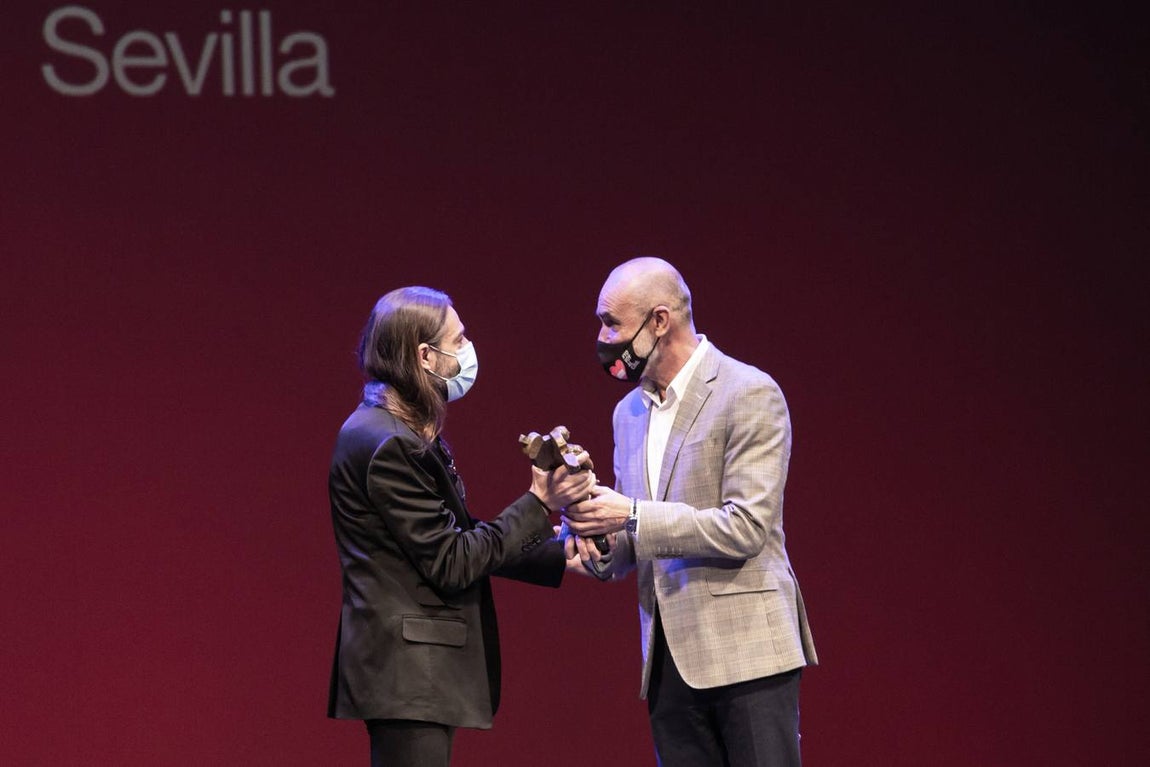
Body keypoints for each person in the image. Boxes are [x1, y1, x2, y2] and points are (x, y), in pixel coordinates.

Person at [327, 286, 596, 767]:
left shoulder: (399, 431)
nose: (468, 351)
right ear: (426, 356)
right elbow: (451, 562)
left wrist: (559, 552)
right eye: (460, 338)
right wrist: (539, 502)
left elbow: (456, 533)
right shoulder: (386, 442)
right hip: (409, 675)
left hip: (416, 678)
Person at [564, 257, 818, 766]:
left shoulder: (748, 392)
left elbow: (745, 527)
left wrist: (630, 513)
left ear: (660, 321)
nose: (602, 336)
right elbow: (636, 539)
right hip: (669, 662)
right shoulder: (629, 412)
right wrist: (593, 541)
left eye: (612, 322)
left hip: (748, 655)